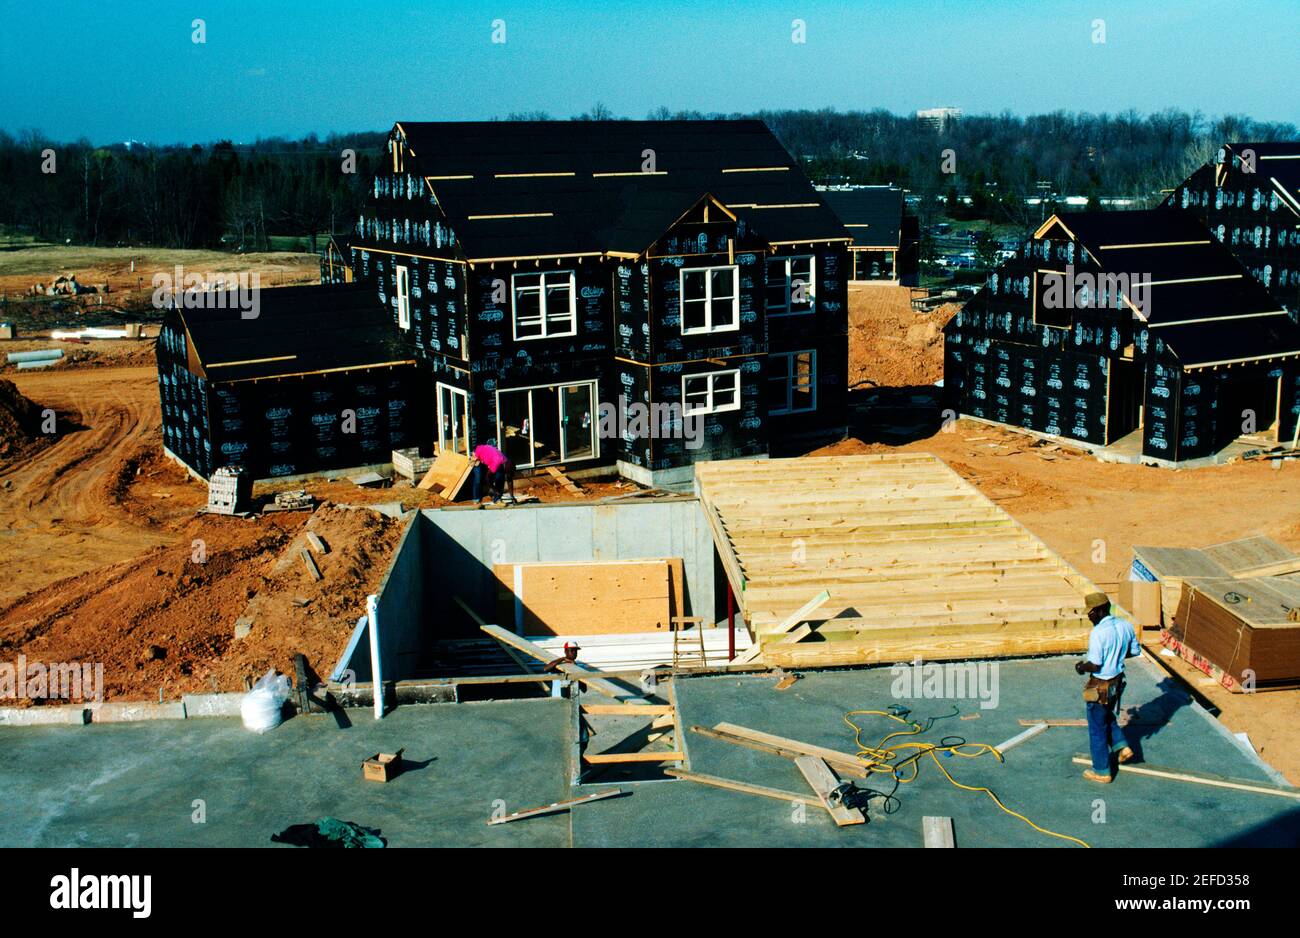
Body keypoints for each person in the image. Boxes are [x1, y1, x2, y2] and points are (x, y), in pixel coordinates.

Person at [1075, 591, 1140, 783]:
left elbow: (1095, 664)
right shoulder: (1125, 625)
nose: (1089, 616)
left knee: (1096, 728)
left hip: (1100, 684)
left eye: (1091, 612)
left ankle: (1102, 771)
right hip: (1117, 681)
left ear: (1101, 610)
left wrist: (1081, 667)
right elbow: (1134, 651)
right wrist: (1116, 656)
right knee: (1106, 715)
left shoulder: (1098, 633)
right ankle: (1122, 746)